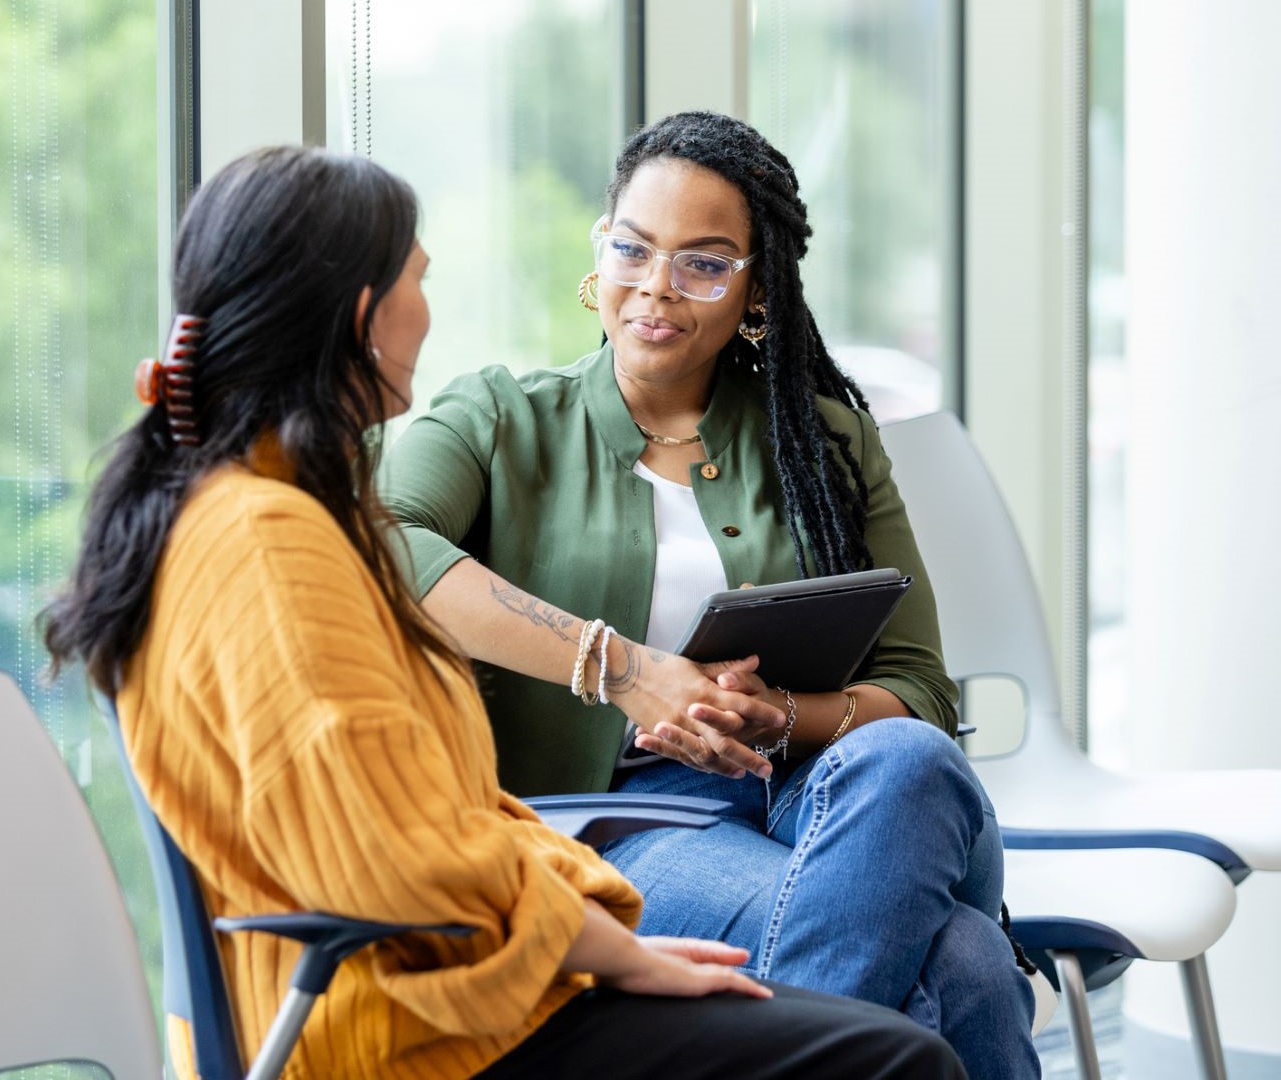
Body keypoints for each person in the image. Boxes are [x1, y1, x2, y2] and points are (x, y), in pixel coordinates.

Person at [41, 145, 962, 1080]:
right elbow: (392, 855)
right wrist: (610, 936)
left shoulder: (263, 517)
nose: (657, 289)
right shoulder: (277, 540)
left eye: (704, 263)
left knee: (919, 793)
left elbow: (426, 820)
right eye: (419, 279)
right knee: (943, 993)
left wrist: (605, 923)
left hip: (471, 966)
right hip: (417, 1019)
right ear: (367, 315)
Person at [382, 112, 1039, 1077]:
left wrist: (773, 718)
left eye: (704, 263)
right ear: (598, 250)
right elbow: (381, 549)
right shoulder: (497, 418)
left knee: (909, 758)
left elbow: (921, 691)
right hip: (626, 822)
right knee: (968, 961)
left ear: (758, 288)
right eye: (632, 249)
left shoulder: (827, 442)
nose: (656, 287)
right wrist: (627, 671)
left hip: (835, 796)